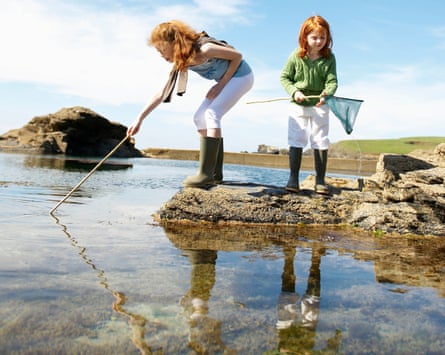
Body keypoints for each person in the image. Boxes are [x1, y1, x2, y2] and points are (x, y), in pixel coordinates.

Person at [127, 20, 254, 187]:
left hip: (241, 77)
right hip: (226, 81)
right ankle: (215, 173)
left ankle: (206, 174)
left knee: (212, 113)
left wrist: (221, 84)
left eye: (162, 49)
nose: (160, 54)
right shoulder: (180, 63)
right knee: (199, 118)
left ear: (175, 42)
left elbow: (237, 56)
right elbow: (162, 93)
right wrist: (139, 119)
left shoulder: (205, 49)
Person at [280, 15, 338, 195]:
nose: (319, 41)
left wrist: (327, 93)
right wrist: (294, 92)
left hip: (320, 105)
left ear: (328, 38)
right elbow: (284, 78)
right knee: (296, 138)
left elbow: (332, 82)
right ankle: (293, 178)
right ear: (305, 37)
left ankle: (320, 180)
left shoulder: (329, 58)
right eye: (314, 37)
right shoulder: (295, 56)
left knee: (320, 139)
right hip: (298, 105)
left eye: (323, 37)